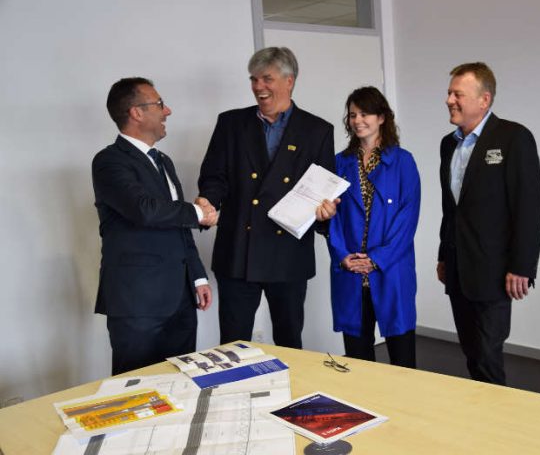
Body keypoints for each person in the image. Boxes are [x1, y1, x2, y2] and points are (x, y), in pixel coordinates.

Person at [197, 47, 338, 349]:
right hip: (238, 251)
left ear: (290, 81)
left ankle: (291, 396)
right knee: (232, 345)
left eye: (267, 79)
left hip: (287, 253)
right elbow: (214, 176)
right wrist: (208, 200)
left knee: (289, 342)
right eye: (254, 79)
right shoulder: (231, 124)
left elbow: (323, 186)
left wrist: (325, 213)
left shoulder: (318, 131)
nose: (259, 87)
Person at [92, 77, 216, 375]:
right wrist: (198, 212)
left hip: (180, 299)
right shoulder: (109, 162)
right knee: (135, 390)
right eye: (159, 104)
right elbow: (144, 210)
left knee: (181, 382)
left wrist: (197, 276)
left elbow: (176, 224)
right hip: (137, 302)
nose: (167, 111)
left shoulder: (164, 161)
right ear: (136, 112)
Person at [437, 62, 540, 385]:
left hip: (495, 271)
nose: (449, 100)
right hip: (458, 269)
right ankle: (480, 419)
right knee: (472, 354)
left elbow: (530, 207)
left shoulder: (514, 138)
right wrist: (444, 255)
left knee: (487, 355)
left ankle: (499, 426)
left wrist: (522, 266)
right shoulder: (449, 144)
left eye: (458, 94)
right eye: (448, 93)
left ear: (484, 100)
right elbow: (451, 210)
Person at [327, 86, 421, 368]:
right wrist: (343, 256)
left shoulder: (403, 162)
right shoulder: (339, 163)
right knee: (358, 361)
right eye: (352, 115)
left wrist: (376, 259)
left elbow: (408, 219)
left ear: (382, 117)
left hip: (391, 271)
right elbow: (332, 219)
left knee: (403, 360)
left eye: (364, 113)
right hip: (351, 271)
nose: (357, 120)